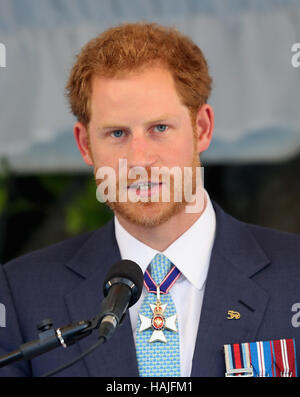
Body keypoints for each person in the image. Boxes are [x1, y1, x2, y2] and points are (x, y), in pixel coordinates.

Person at [0, 22, 299, 377]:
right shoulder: (21, 293)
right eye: (117, 133)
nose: (139, 159)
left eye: (159, 128)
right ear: (85, 145)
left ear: (201, 128)